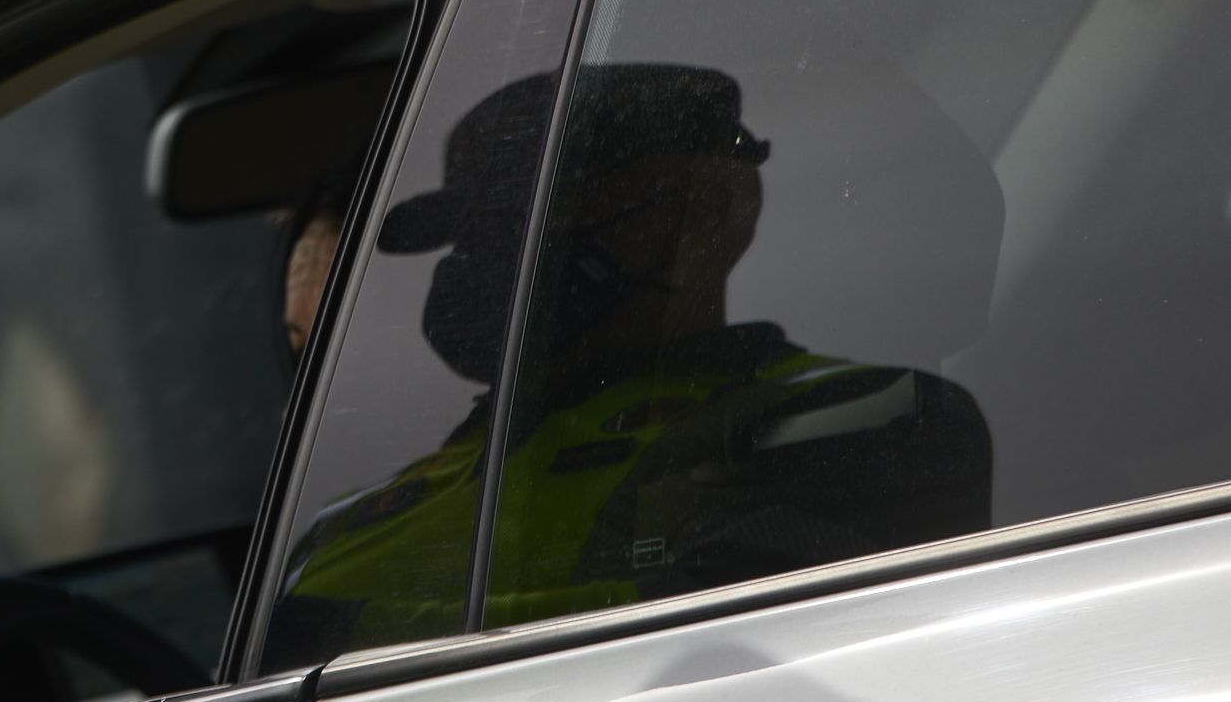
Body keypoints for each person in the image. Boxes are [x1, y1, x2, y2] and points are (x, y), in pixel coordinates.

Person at [275, 63, 987, 643]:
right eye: (475, 234)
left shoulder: (858, 419)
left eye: (533, 223)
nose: (487, 263)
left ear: (704, 212)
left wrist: (340, 631)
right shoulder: (371, 502)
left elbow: (708, 645)